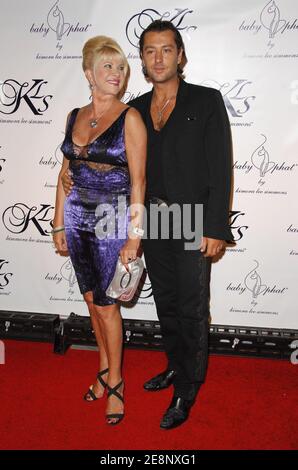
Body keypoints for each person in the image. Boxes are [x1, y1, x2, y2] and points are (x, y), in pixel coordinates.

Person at [62, 21, 233, 430]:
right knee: (166, 304)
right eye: (150, 51)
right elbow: (120, 163)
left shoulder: (207, 101)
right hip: (151, 219)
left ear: (181, 56)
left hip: (192, 219)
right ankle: (176, 366)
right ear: (142, 60)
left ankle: (187, 389)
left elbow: (221, 167)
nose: (158, 58)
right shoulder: (133, 109)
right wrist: (75, 172)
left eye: (166, 50)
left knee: (192, 309)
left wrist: (215, 227)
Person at [52, 35, 146, 425]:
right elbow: (64, 173)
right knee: (92, 301)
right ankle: (104, 369)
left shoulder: (131, 118)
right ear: (89, 72)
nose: (117, 73)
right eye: (108, 66)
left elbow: (139, 183)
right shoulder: (74, 115)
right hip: (76, 219)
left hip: (113, 221)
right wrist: (58, 221)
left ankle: (117, 383)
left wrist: (134, 236)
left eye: (121, 67)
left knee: (108, 308)